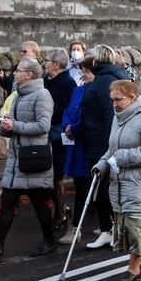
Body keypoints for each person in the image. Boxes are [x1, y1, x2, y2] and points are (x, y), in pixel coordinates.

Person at [0, 57, 56, 259]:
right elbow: (15, 125)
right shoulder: (18, 94)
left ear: (29, 75)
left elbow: (43, 126)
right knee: (8, 197)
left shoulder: (42, 95)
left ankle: (49, 239)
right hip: (18, 155)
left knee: (36, 197)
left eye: (18, 70)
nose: (14, 73)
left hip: (33, 156)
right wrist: (6, 127)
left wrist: (15, 126)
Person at [92, 80, 141, 281]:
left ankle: (134, 269)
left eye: (119, 99)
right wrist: (101, 166)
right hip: (121, 180)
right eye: (112, 100)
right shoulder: (118, 118)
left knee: (134, 223)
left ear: (132, 97)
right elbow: (112, 149)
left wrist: (122, 157)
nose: (115, 104)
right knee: (131, 223)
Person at [81, 45, 129, 249]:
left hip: (102, 142)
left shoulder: (105, 80)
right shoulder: (106, 78)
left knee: (101, 189)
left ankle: (114, 229)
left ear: (95, 61)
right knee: (101, 189)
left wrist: (111, 144)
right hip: (96, 139)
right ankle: (109, 229)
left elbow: (110, 114)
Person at [58, 56, 95, 245]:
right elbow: (67, 111)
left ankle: (77, 228)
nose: (83, 74)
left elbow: (91, 117)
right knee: (80, 185)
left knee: (85, 188)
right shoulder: (78, 90)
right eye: (83, 71)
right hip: (75, 143)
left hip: (87, 143)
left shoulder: (96, 92)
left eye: (87, 71)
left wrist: (74, 128)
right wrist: (66, 126)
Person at [42, 48, 77, 230]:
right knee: (48, 176)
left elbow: (67, 110)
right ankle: (62, 207)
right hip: (46, 134)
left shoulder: (67, 82)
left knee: (56, 177)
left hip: (59, 136)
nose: (44, 63)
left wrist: (46, 110)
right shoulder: (45, 80)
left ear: (56, 64)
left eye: (47, 60)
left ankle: (60, 214)